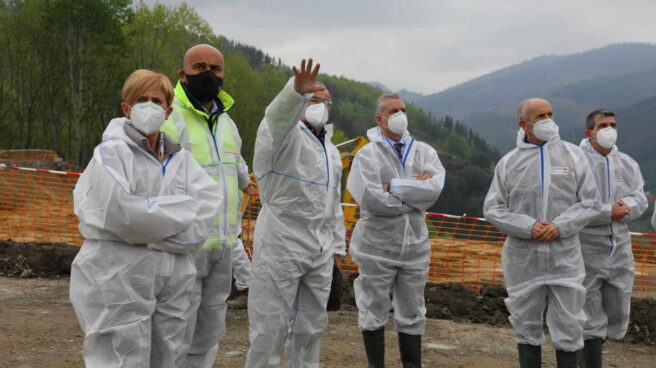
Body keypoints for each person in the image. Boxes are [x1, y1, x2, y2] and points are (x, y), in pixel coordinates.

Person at [69, 69, 221, 368]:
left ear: (168, 111)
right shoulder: (111, 155)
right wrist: (181, 212)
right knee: (119, 357)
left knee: (169, 355)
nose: (149, 106)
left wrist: (148, 221)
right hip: (118, 274)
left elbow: (206, 213)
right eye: (141, 99)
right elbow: (120, 215)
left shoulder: (182, 159)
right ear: (126, 108)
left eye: (156, 100)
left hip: (175, 278)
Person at [483, 98, 600, 368]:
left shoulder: (573, 156)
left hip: (565, 257)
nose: (548, 120)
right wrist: (528, 226)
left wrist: (559, 225)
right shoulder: (509, 163)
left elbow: (591, 202)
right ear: (524, 124)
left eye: (550, 114)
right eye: (540, 116)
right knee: (526, 323)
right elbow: (493, 208)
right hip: (524, 258)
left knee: (570, 323)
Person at [246, 58, 346, 367]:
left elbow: (333, 202)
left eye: (325, 102)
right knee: (269, 328)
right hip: (281, 242)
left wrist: (337, 246)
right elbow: (276, 119)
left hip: (319, 246)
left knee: (311, 328)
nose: (320, 106)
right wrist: (294, 91)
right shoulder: (282, 139)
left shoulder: (331, 150)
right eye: (314, 99)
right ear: (301, 104)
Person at [161, 44, 256, 367]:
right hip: (184, 246)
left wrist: (246, 180)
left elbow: (234, 158)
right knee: (174, 330)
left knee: (210, 330)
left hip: (223, 245)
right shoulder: (170, 117)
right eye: (199, 67)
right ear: (183, 75)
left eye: (215, 68)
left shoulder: (226, 122)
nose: (208, 74)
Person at [346, 93, 445, 368]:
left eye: (403, 109)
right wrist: (414, 190)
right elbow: (372, 199)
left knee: (413, 310)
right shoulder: (367, 154)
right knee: (372, 307)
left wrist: (393, 186)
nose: (400, 114)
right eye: (393, 110)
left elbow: (434, 190)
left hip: (415, 246)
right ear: (379, 118)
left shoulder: (425, 151)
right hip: (376, 246)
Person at [578, 108, 647, 367]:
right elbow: (573, 203)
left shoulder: (627, 163)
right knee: (588, 307)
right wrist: (608, 211)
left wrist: (626, 207)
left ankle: (593, 344)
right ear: (589, 132)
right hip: (586, 245)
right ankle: (587, 359)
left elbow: (639, 196)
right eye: (603, 125)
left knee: (618, 307)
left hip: (619, 245)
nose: (610, 130)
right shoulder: (576, 162)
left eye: (613, 124)